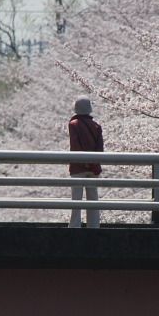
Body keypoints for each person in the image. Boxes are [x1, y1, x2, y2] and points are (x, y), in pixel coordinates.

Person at [67, 96, 103, 228]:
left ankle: (75, 226)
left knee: (76, 198)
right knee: (93, 198)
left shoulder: (73, 124)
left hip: (77, 167)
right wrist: (92, 163)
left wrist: (83, 162)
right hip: (93, 167)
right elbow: (100, 149)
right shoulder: (96, 126)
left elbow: (75, 146)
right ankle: (94, 226)